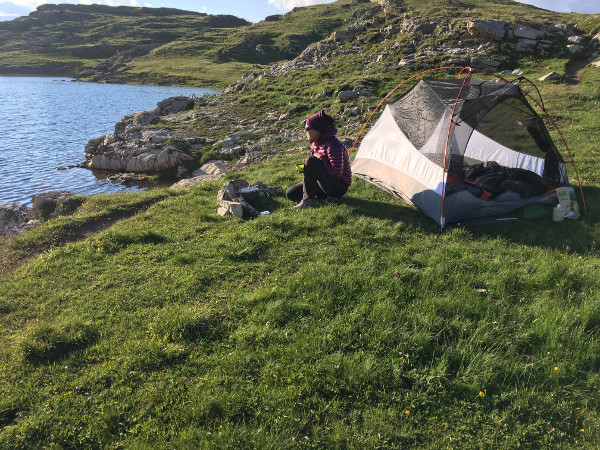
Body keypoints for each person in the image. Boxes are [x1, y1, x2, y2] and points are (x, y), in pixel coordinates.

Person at [286, 110, 352, 208]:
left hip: (339, 186)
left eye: (307, 128)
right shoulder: (315, 144)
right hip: (324, 183)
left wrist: (320, 159)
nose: (305, 131)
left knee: (311, 160)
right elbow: (318, 171)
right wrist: (307, 169)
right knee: (291, 193)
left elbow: (336, 174)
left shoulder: (334, 145)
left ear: (316, 130)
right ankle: (327, 197)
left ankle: (309, 201)